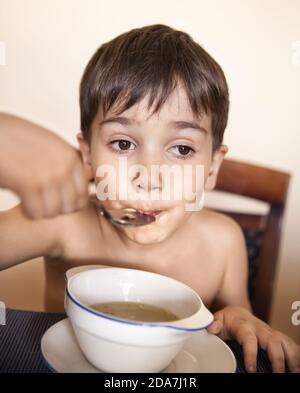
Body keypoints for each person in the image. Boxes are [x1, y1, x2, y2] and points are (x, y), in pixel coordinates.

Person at [0, 24, 299, 373]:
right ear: (87, 156)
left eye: (182, 148)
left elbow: (237, 318)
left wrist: (238, 318)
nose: (150, 177)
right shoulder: (62, 222)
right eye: (123, 144)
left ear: (213, 166)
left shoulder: (224, 241)